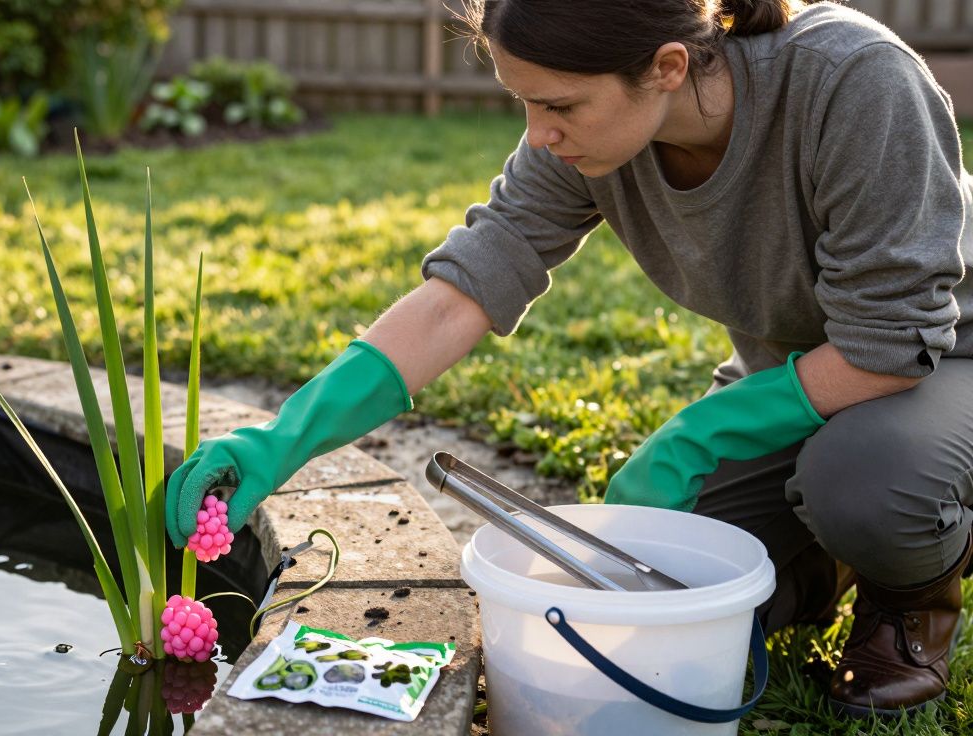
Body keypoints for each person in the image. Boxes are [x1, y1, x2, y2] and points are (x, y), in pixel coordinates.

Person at [165, 0, 973, 718]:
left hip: (939, 361)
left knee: (863, 484)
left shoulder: (855, 82)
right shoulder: (588, 142)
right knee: (631, 582)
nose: (540, 134)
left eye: (559, 106)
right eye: (525, 104)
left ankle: (910, 603)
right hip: (794, 378)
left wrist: (696, 433)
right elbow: (461, 293)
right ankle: (809, 569)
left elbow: (891, 343)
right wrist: (282, 440)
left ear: (666, 67)